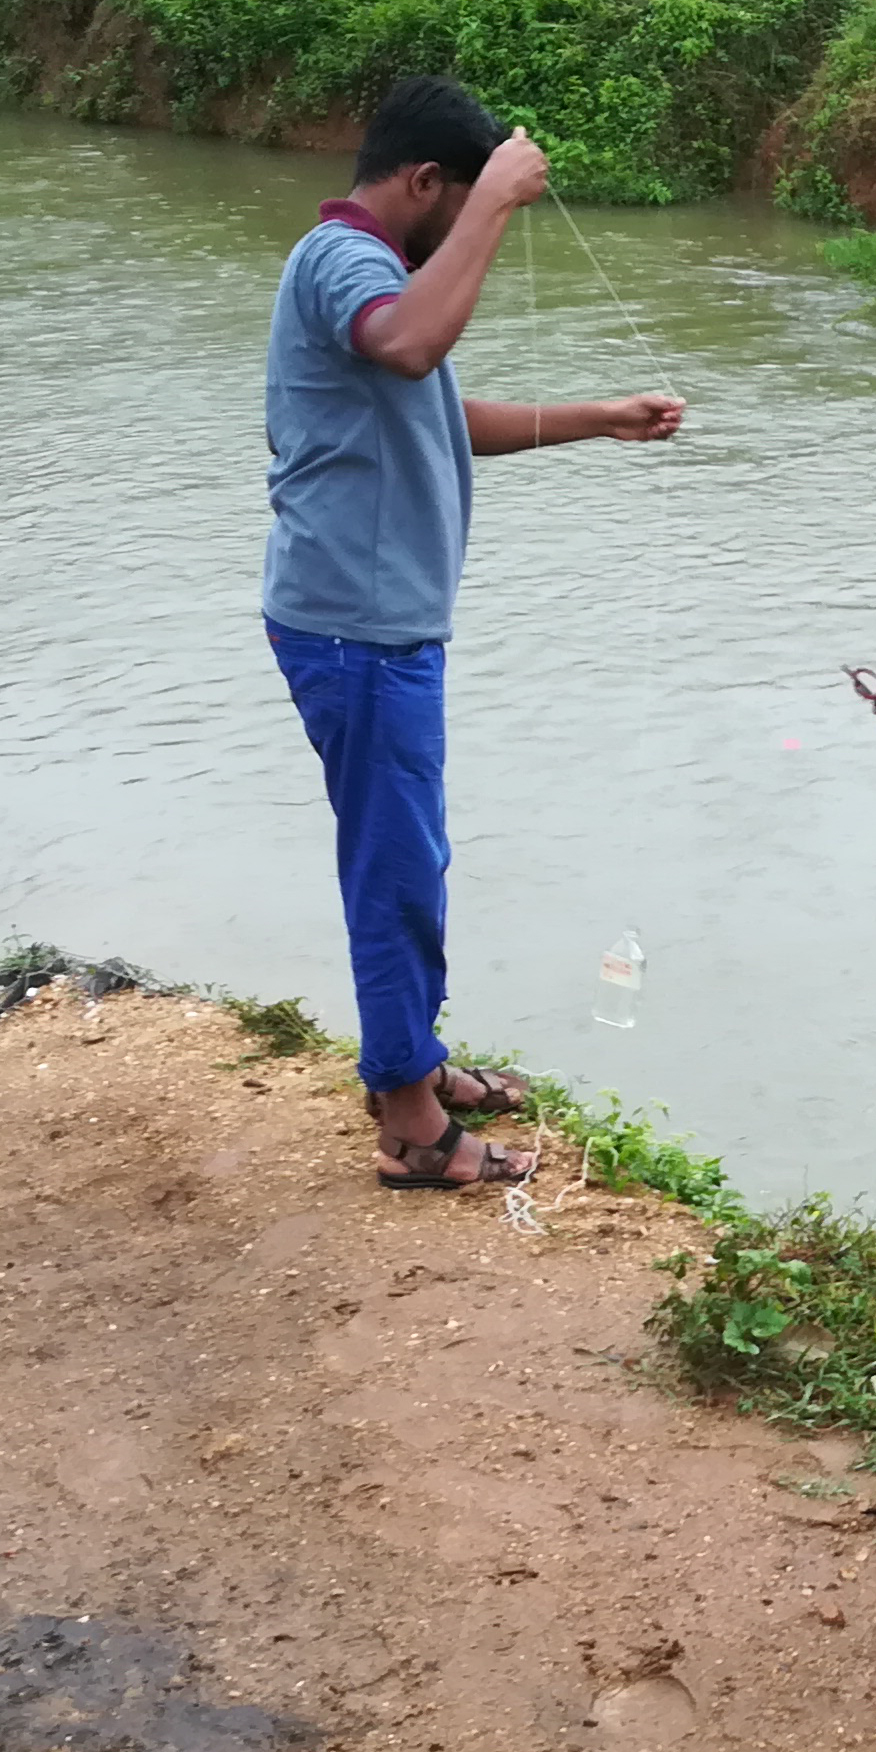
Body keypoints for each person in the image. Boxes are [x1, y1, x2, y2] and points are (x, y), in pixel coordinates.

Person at [264, 73, 683, 1190]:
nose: (471, 237)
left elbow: (440, 409)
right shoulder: (346, 265)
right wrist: (499, 198)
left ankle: (413, 1063)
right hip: (357, 633)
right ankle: (406, 1122)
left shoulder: (379, 276)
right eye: (461, 205)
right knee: (394, 866)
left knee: (411, 852)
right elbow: (408, 346)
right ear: (424, 183)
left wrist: (599, 419)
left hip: (378, 627)